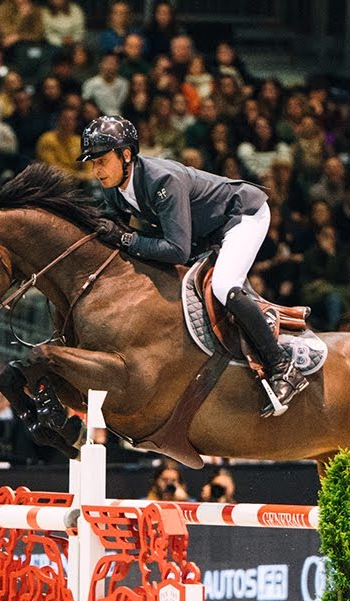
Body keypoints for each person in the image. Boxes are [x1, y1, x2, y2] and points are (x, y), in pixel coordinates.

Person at [79, 115, 306, 417]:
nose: (96, 171)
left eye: (101, 161)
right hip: (206, 232)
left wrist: (127, 238)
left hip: (242, 216)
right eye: (92, 163)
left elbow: (175, 249)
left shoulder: (162, 180)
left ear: (126, 155)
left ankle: (283, 366)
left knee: (225, 286)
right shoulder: (113, 187)